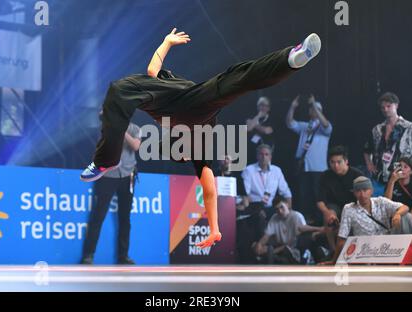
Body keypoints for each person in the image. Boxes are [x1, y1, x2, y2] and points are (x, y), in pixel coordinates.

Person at [80, 28, 322, 248]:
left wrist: (166, 42)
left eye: (182, 151)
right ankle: (290, 60)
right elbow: (210, 191)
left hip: (184, 98)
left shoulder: (171, 120)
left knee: (120, 90)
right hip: (198, 101)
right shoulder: (198, 146)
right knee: (236, 78)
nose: (187, 154)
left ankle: (292, 58)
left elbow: (153, 69)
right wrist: (215, 228)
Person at [81, 123, 141, 265]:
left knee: (125, 219)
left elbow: (136, 146)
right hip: (107, 176)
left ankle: (123, 256)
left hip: (128, 176)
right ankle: (88, 255)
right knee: (98, 216)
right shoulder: (106, 126)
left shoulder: (136, 129)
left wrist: (123, 131)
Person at [325, 176, 412, 264]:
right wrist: (334, 261)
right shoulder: (349, 209)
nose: (362, 194)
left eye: (365, 190)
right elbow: (342, 237)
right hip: (367, 248)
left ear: (371, 191)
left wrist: (397, 214)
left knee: (407, 217)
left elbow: (405, 207)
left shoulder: (380, 201)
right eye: (358, 191)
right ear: (354, 193)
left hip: (389, 242)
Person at [286, 94, 332, 224]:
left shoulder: (325, 127)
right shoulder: (305, 126)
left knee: (318, 195)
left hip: (318, 168)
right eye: (311, 108)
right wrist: (292, 107)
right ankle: (305, 220)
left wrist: (314, 105)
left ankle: (319, 220)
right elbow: (289, 123)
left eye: (315, 109)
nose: (313, 110)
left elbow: (326, 125)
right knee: (303, 194)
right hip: (303, 166)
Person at [363, 92, 412, 190]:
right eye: (382, 107)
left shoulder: (411, 127)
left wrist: (411, 167)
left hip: (402, 178)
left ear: (396, 105)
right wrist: (369, 164)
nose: (385, 109)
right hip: (380, 177)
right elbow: (367, 149)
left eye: (388, 106)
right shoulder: (377, 129)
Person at [253, 195, 327, 264]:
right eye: (277, 209)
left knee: (292, 248)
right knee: (255, 246)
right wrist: (260, 244)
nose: (280, 211)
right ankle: (273, 257)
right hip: (280, 245)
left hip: (293, 247)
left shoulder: (296, 216)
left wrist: (320, 229)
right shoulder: (274, 218)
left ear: (287, 205)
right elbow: (266, 236)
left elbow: (302, 229)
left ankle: (274, 257)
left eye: (282, 207)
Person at [316, 146, 364, 252]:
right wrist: (327, 212)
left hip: (354, 207)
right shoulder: (325, 175)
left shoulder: (357, 175)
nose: (335, 165)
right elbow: (320, 201)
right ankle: (333, 251)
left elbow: (366, 197)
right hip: (335, 208)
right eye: (332, 162)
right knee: (328, 215)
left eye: (339, 162)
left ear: (346, 161)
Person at [384, 157, 412, 222]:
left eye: (405, 167)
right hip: (394, 216)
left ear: (411, 171)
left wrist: (408, 221)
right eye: (399, 166)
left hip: (410, 216)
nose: (402, 169)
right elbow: (386, 202)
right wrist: (392, 181)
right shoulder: (392, 181)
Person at [246, 96, 275, 163]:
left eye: (265, 105)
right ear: (257, 106)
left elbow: (266, 131)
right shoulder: (252, 116)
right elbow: (249, 128)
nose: (263, 107)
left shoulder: (272, 119)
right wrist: (258, 116)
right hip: (252, 151)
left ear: (269, 108)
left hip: (265, 153)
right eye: (261, 105)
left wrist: (254, 125)